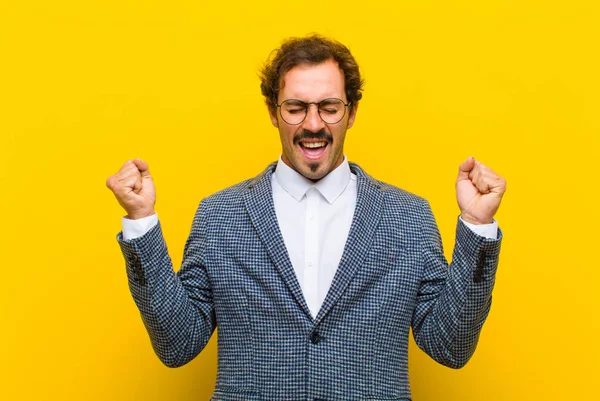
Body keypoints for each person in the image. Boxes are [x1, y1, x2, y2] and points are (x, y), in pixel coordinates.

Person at [106, 34, 506, 401]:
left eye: (329, 107)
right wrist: (142, 222)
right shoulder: (219, 216)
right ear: (273, 112)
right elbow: (178, 344)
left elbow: (450, 346)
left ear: (350, 113)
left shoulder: (409, 217)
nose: (313, 124)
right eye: (296, 108)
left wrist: (477, 229)